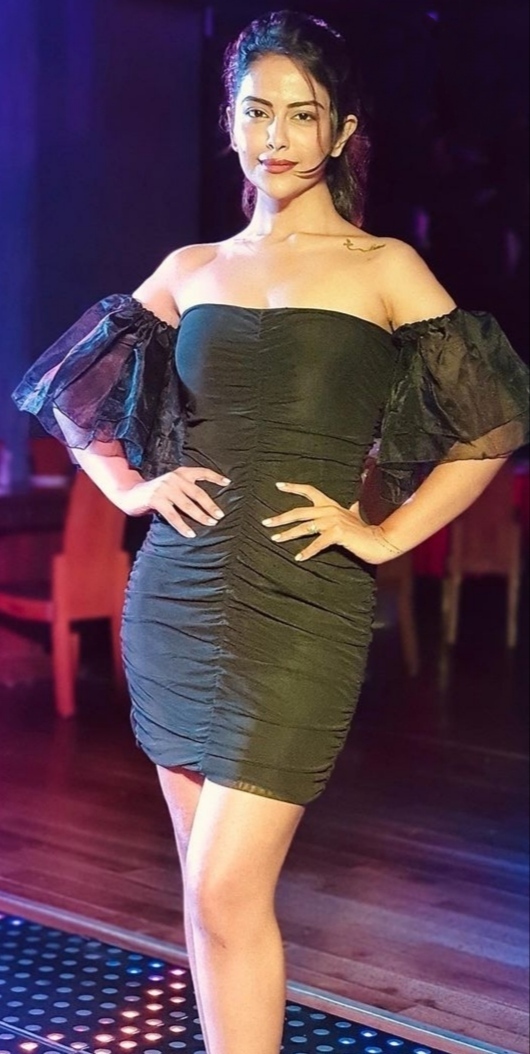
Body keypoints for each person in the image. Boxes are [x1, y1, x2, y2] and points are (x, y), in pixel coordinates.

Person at [12, 10, 529, 1054]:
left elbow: (492, 423)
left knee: (223, 890)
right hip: (177, 599)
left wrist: (385, 536)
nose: (276, 136)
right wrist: (130, 491)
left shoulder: (383, 266)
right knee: (208, 899)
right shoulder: (191, 265)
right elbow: (72, 395)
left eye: (302, 114)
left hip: (303, 605)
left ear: (342, 131)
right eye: (256, 112)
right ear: (230, 122)